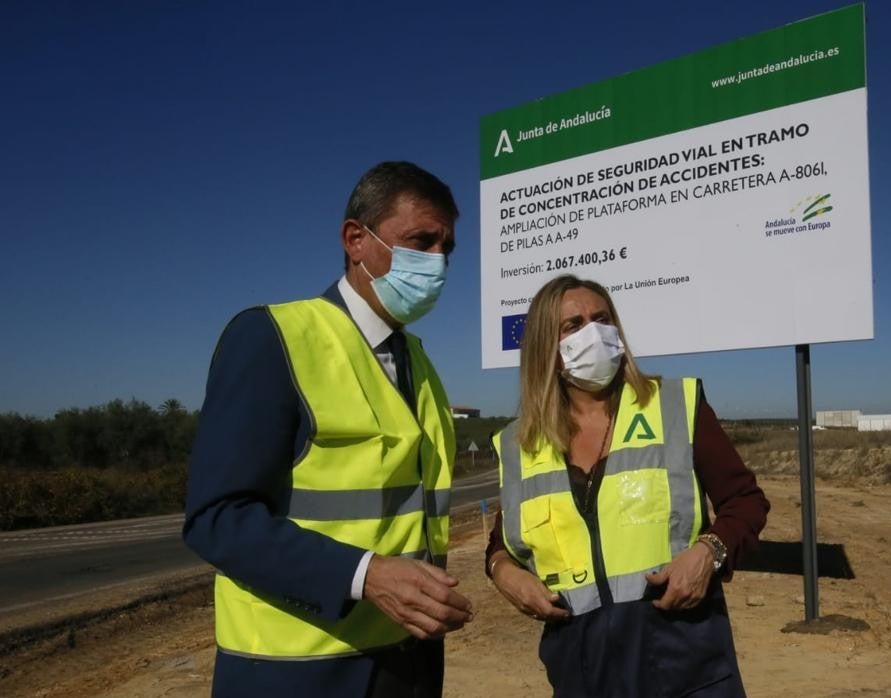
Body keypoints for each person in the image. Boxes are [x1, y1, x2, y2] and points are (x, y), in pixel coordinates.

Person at [183, 161, 472, 697]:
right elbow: (216, 519)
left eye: (446, 248)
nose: (437, 262)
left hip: (407, 663)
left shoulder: (419, 361)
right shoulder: (274, 337)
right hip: (296, 672)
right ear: (355, 240)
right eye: (420, 242)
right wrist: (364, 575)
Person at [485, 274, 769, 697]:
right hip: (581, 670)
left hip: (684, 661)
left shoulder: (674, 404)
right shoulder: (518, 443)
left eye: (602, 319)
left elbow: (745, 502)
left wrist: (709, 552)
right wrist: (504, 573)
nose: (594, 333)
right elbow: (502, 541)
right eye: (573, 325)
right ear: (547, 347)